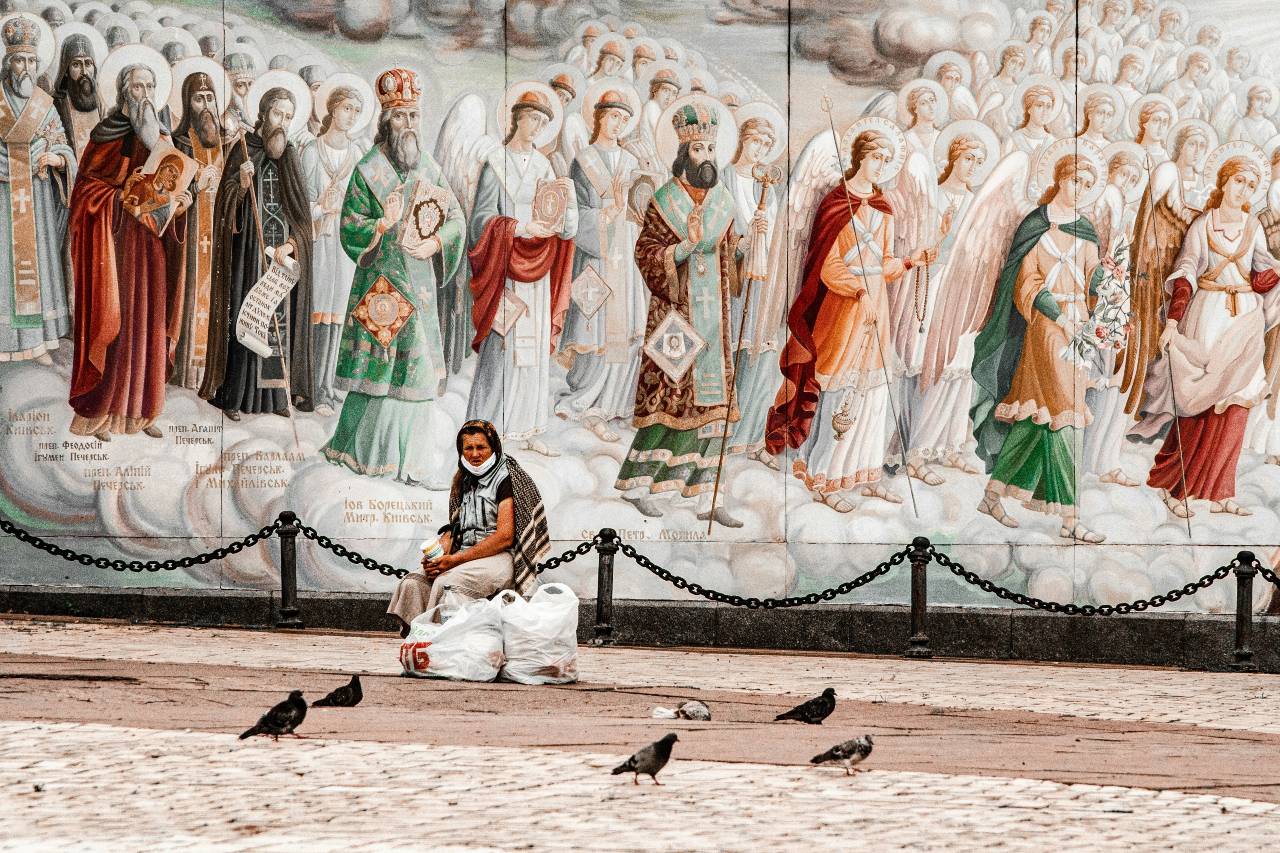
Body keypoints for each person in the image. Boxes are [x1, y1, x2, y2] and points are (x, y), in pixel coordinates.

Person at [765, 129, 930, 511]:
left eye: (887, 160)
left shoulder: (884, 207)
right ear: (860, 157)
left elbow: (884, 264)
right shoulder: (837, 202)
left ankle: (865, 473)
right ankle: (824, 477)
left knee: (874, 393)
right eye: (875, 157)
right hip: (843, 310)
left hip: (877, 309)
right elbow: (828, 267)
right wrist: (858, 293)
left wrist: (910, 261)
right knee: (839, 390)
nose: (881, 166)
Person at [321, 68, 465, 486]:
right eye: (401, 117)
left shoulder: (430, 167)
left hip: (418, 287)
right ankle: (366, 455)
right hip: (380, 285)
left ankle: (410, 462)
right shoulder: (368, 170)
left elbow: (455, 217)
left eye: (415, 116)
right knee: (377, 373)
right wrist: (380, 225)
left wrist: (435, 244)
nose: (409, 125)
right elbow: (351, 225)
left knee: (416, 374)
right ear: (386, 122)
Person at [1132, 155, 1280, 518]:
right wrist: (1171, 322)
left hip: (1244, 317)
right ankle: (1174, 486)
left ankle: (1221, 491)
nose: (1243, 189)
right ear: (1224, 182)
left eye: (1250, 185)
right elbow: (1186, 272)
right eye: (1238, 181)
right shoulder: (1203, 224)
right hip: (1207, 314)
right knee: (1198, 398)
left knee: (1238, 401)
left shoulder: (1252, 226)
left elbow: (1261, 274)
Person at [971, 154, 1106, 542]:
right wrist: (1059, 317)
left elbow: (1091, 276)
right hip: (1047, 328)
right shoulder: (1036, 225)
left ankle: (992, 495)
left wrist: (1109, 285)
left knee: (1040, 418)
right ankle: (1070, 519)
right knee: (1065, 412)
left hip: (1081, 326)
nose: (1081, 188)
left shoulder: (1086, 229)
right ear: (1060, 179)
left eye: (1087, 182)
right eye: (1076, 179)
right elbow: (1026, 283)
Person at [69, 62, 189, 440]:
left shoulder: (162, 139)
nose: (146, 95)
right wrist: (121, 198)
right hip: (115, 248)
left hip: (151, 249)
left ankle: (141, 411)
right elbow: (85, 194)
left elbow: (170, 193)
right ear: (123, 91)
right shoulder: (106, 135)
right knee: (118, 325)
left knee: (149, 323)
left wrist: (181, 203)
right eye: (138, 87)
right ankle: (101, 413)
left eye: (151, 86)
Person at [465, 87, 577, 457]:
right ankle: (488, 425)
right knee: (503, 344)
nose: (537, 127)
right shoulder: (496, 161)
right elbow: (480, 219)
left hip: (538, 269)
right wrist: (518, 229)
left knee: (532, 350)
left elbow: (557, 212)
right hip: (506, 268)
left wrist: (561, 222)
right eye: (532, 118)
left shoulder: (546, 167)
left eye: (544, 122)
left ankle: (527, 426)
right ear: (516, 118)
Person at [200, 86, 316, 420]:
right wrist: (241, 184)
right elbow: (224, 206)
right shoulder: (243, 150)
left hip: (281, 259)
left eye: (290, 117)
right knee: (247, 317)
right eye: (278, 114)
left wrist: (292, 244)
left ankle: (277, 398)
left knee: (278, 320)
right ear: (263, 114)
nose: (283, 122)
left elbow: (302, 218)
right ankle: (236, 397)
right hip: (249, 254)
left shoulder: (290, 156)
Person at [387, 420, 551, 635]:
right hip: (465, 555)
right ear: (461, 451)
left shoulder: (508, 478)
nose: (475, 454)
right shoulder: (464, 479)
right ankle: (420, 646)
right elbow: (454, 528)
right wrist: (438, 556)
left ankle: (447, 644)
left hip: (502, 557)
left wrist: (454, 561)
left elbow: (505, 537)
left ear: (493, 448)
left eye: (481, 447)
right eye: (469, 448)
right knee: (413, 584)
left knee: (449, 584)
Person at [0, 16, 74, 366]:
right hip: (3, 203)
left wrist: (56, 158)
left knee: (37, 268)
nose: (26, 68)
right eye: (19, 60)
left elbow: (64, 147)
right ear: (8, 63)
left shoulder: (44, 103)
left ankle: (39, 342)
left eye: (31, 61)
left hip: (38, 201)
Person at [168, 70, 228, 391]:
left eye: (210, 99)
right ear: (187, 103)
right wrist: (194, 183)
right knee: (190, 296)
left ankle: (212, 372)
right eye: (198, 99)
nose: (206, 106)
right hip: (190, 237)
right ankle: (184, 371)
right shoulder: (179, 143)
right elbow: (168, 190)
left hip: (218, 236)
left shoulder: (227, 145)